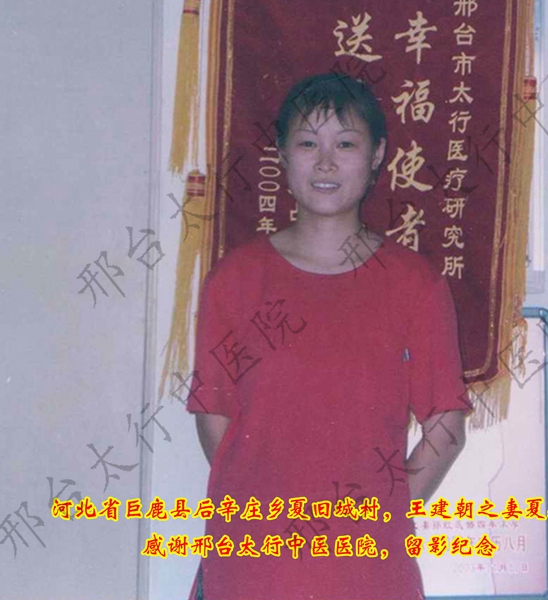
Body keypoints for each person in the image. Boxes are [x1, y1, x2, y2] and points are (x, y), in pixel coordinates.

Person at [186, 72, 473, 600]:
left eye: (344, 144)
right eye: (307, 144)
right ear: (282, 155)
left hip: (369, 567)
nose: (324, 163)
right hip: (255, 562)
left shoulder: (414, 284)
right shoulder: (235, 281)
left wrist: (385, 508)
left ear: (376, 155)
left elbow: (446, 422)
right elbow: (214, 415)